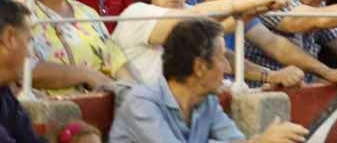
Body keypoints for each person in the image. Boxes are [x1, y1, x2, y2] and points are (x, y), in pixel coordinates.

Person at [108, 17, 308, 143]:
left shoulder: (207, 102)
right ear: (200, 67)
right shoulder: (141, 102)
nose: (228, 68)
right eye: (222, 58)